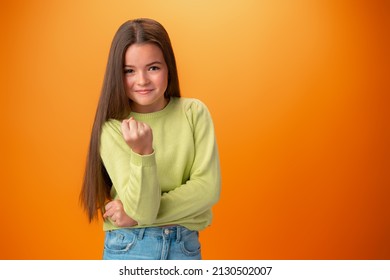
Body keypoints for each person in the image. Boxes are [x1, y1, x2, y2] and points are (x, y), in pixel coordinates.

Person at [80, 18, 221, 260]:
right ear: (117, 74)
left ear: (169, 68)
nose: (142, 80)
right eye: (129, 71)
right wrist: (143, 153)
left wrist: (134, 215)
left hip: (184, 247)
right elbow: (142, 210)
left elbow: (207, 190)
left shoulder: (194, 113)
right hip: (131, 248)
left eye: (153, 67)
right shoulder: (112, 128)